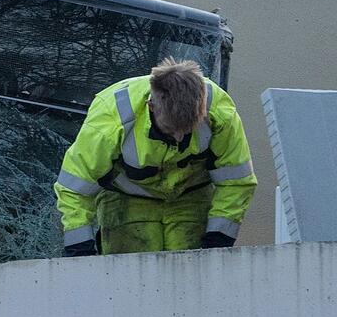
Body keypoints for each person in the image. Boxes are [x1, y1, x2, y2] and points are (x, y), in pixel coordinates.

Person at [54, 58, 257, 256]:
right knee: (130, 277)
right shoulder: (111, 116)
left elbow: (236, 182)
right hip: (126, 201)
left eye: (187, 130)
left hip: (191, 198)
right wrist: (79, 246)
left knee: (189, 277)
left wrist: (218, 237)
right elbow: (75, 188)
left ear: (202, 109)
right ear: (151, 106)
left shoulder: (220, 114)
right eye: (170, 129)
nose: (179, 137)